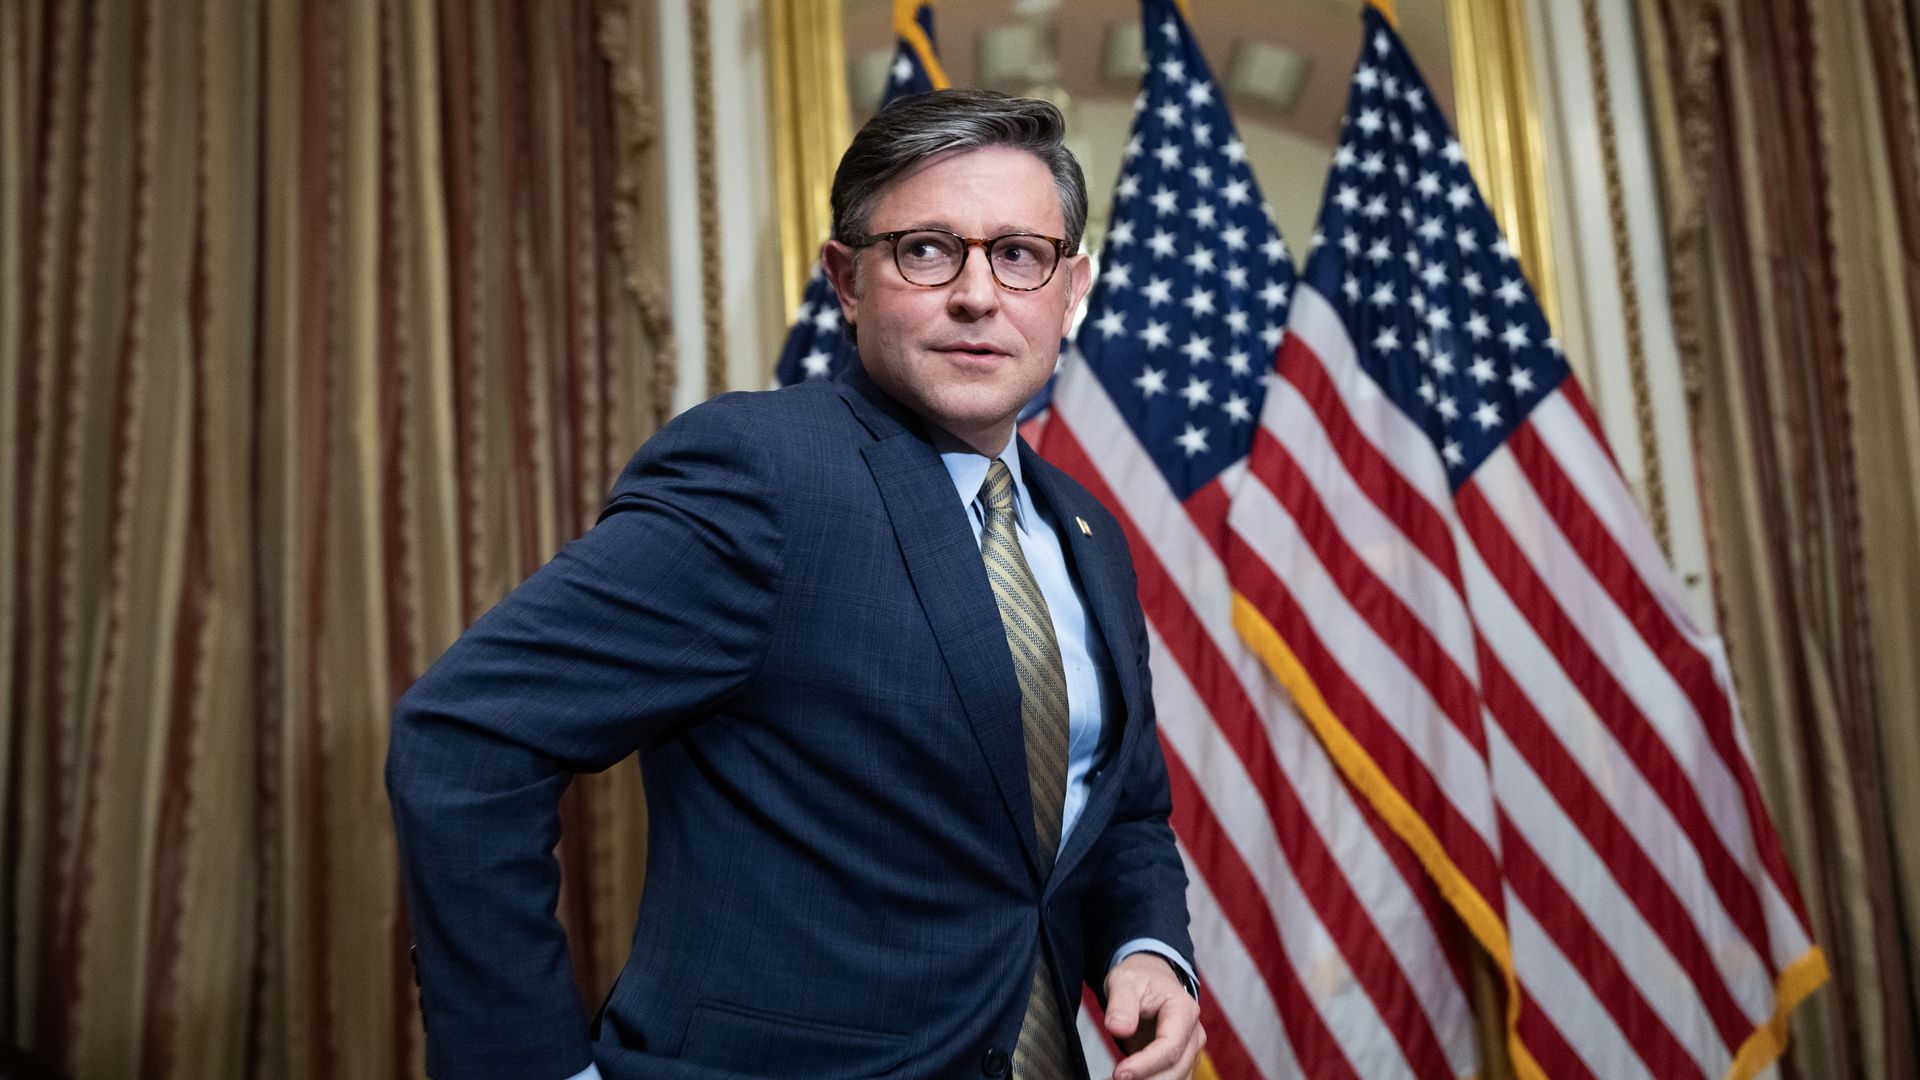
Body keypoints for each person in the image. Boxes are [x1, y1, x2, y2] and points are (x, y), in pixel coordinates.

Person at [388, 88, 1203, 1080]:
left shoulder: (1088, 534)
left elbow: (1122, 808)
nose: (979, 295)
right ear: (847, 280)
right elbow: (465, 740)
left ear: (1069, 289)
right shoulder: (760, 476)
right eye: (928, 249)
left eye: (1018, 255)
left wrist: (1148, 947)